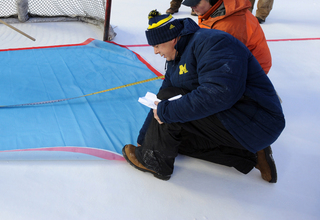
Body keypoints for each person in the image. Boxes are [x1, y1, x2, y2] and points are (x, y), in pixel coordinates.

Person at [122, 10, 284, 182]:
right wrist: (144, 139)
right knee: (173, 139)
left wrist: (167, 112)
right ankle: (248, 155)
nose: (155, 52)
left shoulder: (213, 42)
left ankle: (154, 162)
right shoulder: (175, 59)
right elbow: (161, 96)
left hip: (258, 121)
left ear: (171, 39)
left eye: (157, 46)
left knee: (171, 106)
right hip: (237, 120)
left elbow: (221, 93)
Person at [182, 0, 272, 74]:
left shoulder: (228, 25)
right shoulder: (212, 7)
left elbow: (227, 61)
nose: (192, 7)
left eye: (196, 3)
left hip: (252, 69)